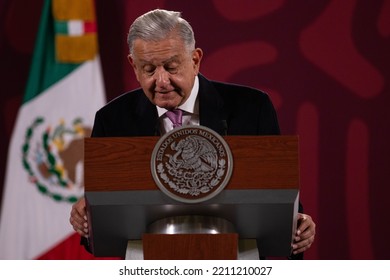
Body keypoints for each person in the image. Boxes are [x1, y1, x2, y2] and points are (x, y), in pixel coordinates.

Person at [69, 8, 315, 259]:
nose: (161, 81)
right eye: (149, 69)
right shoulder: (113, 119)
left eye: (171, 67)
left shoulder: (252, 107)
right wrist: (87, 222)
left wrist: (298, 224)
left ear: (195, 60)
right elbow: (101, 225)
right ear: (133, 65)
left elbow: (276, 192)